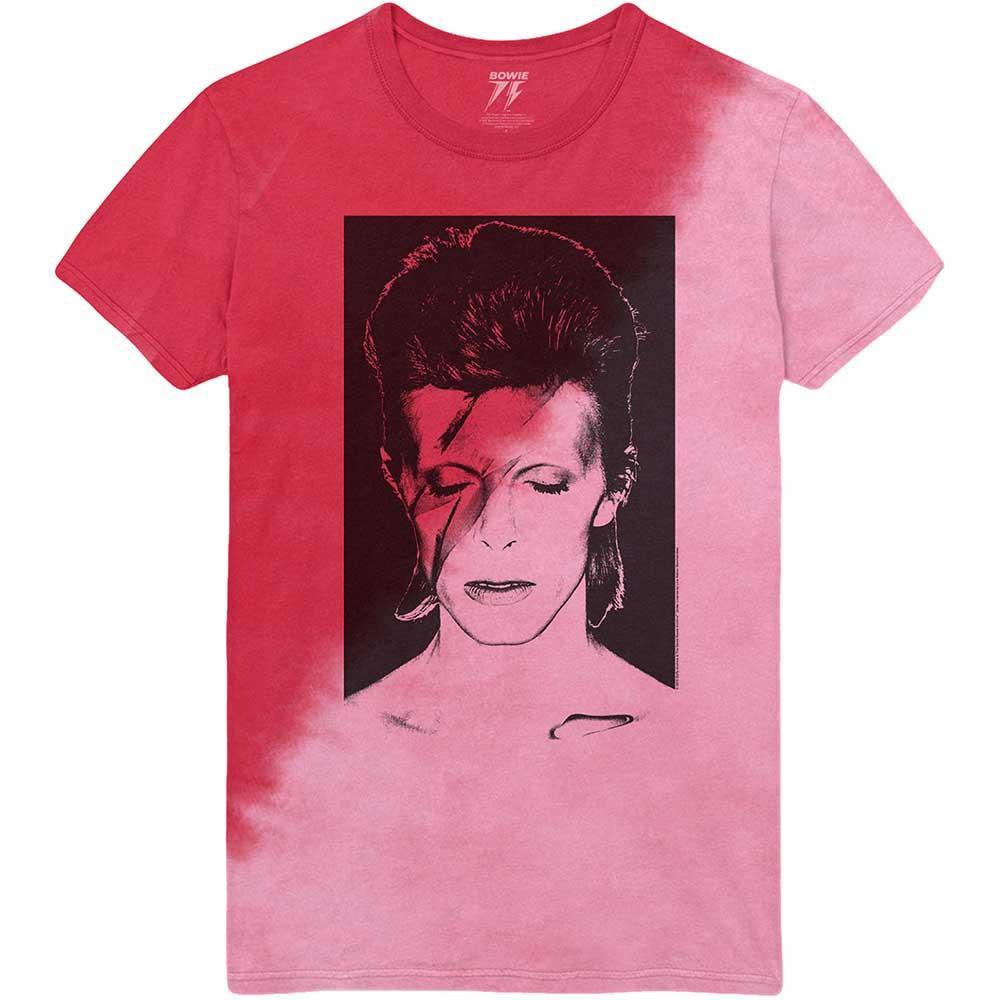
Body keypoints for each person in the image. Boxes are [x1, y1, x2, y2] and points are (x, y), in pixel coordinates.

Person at [349, 220, 670, 739]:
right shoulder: (336, 733)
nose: (495, 532)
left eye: (544, 484)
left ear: (615, 486)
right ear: (397, 480)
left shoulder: (693, 730)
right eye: (450, 486)